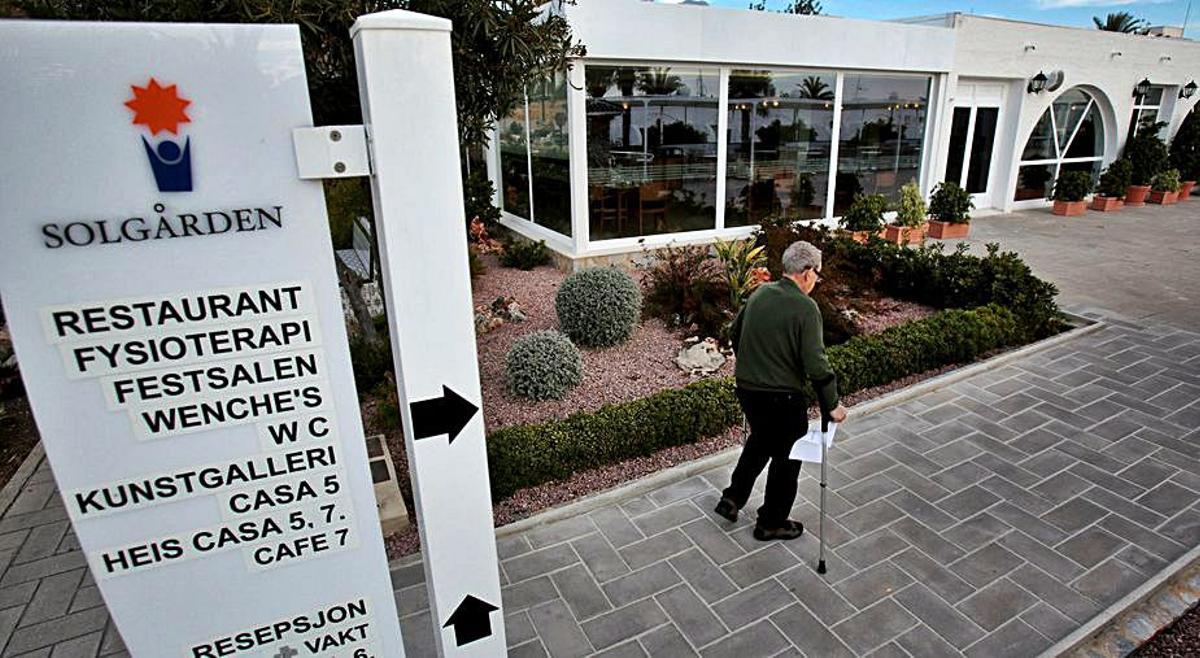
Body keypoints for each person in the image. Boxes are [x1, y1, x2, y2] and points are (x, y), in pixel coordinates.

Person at [714, 240, 847, 541]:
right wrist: (833, 405)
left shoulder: (760, 293)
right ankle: (771, 522)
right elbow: (816, 363)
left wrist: (754, 363)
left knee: (761, 441)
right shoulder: (806, 308)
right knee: (787, 458)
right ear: (807, 272)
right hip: (783, 397)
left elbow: (734, 333)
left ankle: (733, 498)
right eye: (818, 273)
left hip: (747, 389)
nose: (817, 280)